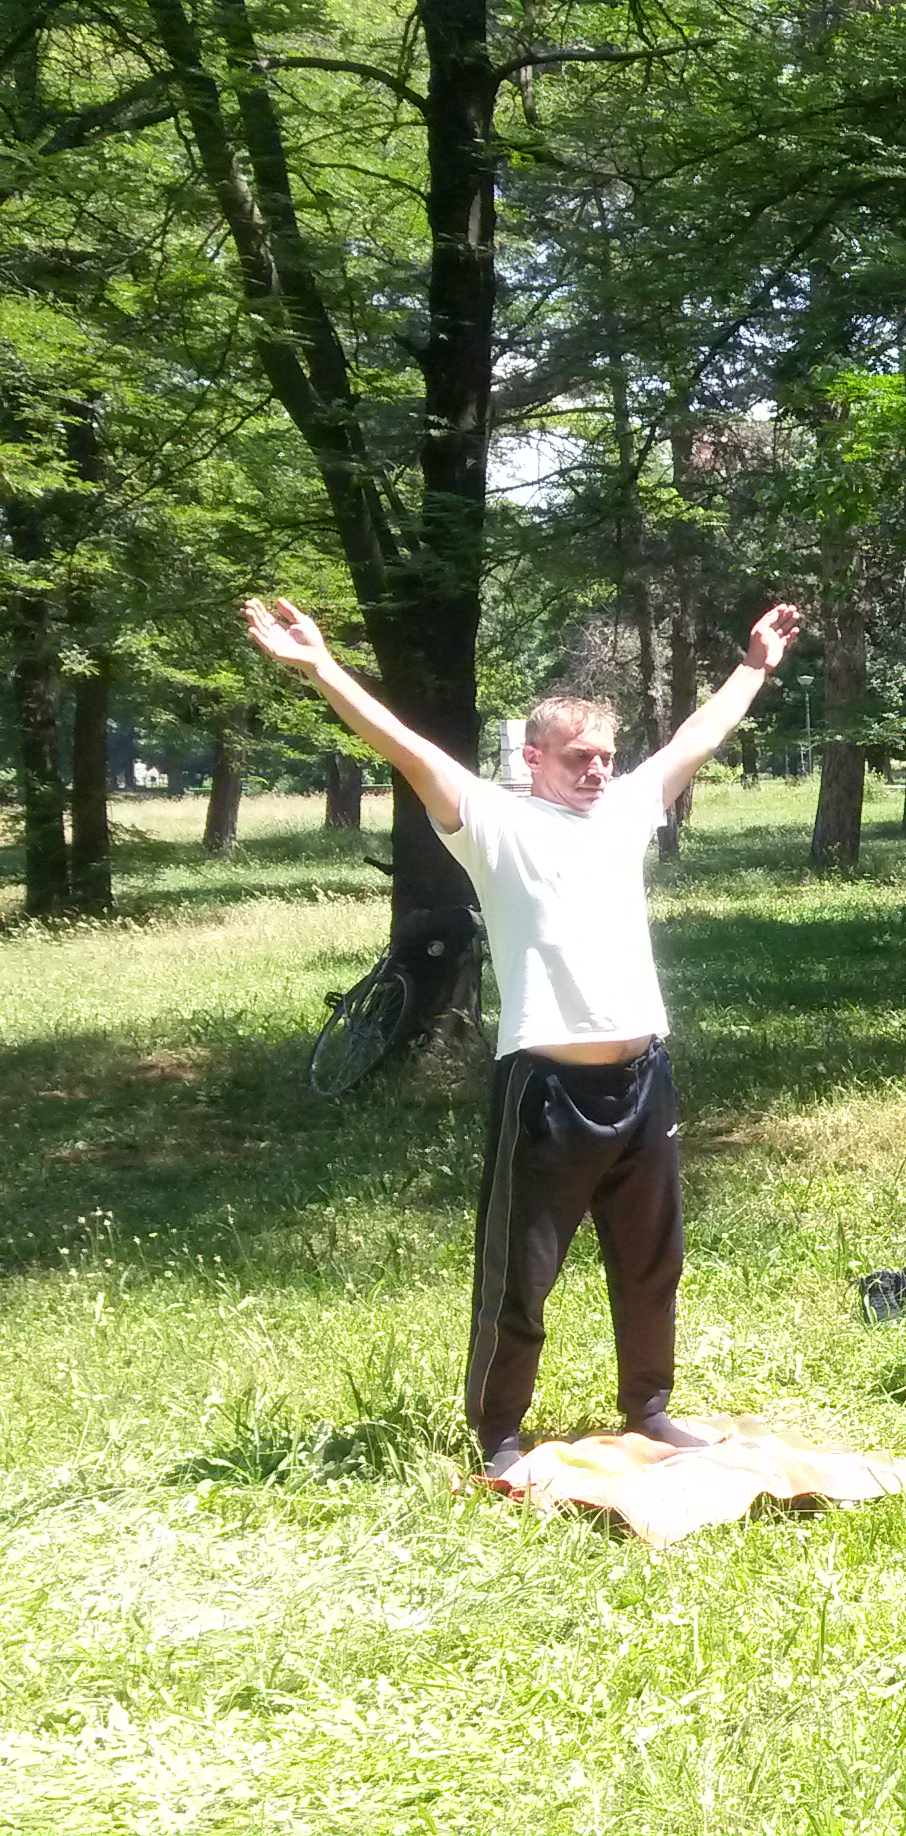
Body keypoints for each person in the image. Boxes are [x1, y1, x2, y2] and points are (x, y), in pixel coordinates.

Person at [243, 592, 802, 1473]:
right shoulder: (492, 822)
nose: (598, 771)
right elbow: (403, 744)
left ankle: (650, 1408)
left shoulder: (627, 809)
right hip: (547, 1089)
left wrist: (754, 666)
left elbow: (700, 736)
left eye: (607, 757)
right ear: (533, 758)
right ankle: (500, 1433)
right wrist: (320, 667)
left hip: (644, 1078)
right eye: (580, 758)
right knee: (520, 1272)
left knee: (653, 1262)